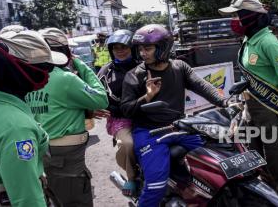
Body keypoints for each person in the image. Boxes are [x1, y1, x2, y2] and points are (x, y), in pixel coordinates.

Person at [120, 24, 226, 207]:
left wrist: (226, 102)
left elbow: (202, 86)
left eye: (148, 48)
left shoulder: (180, 67)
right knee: (155, 187)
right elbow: (126, 110)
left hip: (179, 127)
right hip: (150, 133)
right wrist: (148, 96)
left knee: (219, 160)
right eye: (140, 49)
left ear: (163, 48)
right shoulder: (135, 75)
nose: (143, 53)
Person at [218, 0, 278, 207]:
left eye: (238, 16)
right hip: (252, 111)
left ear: (250, 17)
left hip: (271, 112)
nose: (235, 21)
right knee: (259, 166)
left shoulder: (267, 41)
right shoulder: (250, 41)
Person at [0, 30, 68, 207]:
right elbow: (27, 200)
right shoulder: (16, 127)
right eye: (45, 67)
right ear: (20, 69)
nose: (49, 73)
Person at [25, 27, 109, 207]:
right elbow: (102, 99)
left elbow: (53, 107)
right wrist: (82, 66)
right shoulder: (65, 79)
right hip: (65, 156)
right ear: (64, 52)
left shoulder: (28, 79)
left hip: (40, 152)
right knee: (75, 201)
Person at [96, 29, 139, 197]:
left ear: (132, 48)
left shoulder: (143, 66)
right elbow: (97, 97)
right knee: (128, 144)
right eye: (116, 48)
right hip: (120, 119)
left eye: (124, 47)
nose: (120, 51)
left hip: (147, 115)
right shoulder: (106, 72)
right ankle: (131, 177)